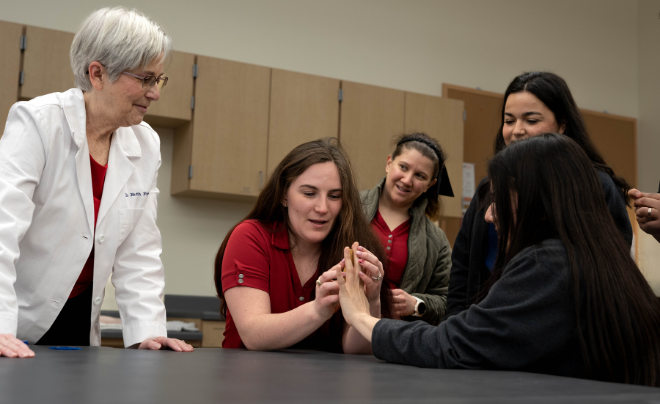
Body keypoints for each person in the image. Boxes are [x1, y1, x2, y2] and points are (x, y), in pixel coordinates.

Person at [336, 133, 660, 386]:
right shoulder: (595, 257)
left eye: (499, 199)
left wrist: (362, 316)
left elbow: (451, 346)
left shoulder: (547, 264)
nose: (490, 215)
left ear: (535, 198)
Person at [0, 7, 193, 358]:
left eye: (159, 80)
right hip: (15, 320)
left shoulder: (145, 145)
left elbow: (139, 249)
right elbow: (2, 228)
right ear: (98, 73)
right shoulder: (38, 124)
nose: (155, 93)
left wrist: (147, 331)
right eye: (145, 79)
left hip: (78, 322)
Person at [447, 72, 632, 317]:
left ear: (562, 124)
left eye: (531, 120)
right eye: (509, 120)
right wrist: (454, 327)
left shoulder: (596, 186)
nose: (517, 131)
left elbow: (609, 272)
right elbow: (462, 268)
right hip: (485, 328)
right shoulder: (488, 188)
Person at [215, 138, 392, 352]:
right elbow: (253, 334)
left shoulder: (354, 249)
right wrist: (318, 310)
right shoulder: (250, 237)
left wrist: (372, 302)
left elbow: (356, 350)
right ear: (283, 195)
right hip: (251, 381)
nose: (322, 207)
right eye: (309, 193)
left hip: (324, 384)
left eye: (334, 196)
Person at [360, 133, 453, 325]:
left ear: (430, 184)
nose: (407, 180)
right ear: (389, 163)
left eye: (420, 176)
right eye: (403, 167)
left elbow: (447, 300)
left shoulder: (436, 241)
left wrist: (417, 304)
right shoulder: (350, 208)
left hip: (392, 337)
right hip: (336, 327)